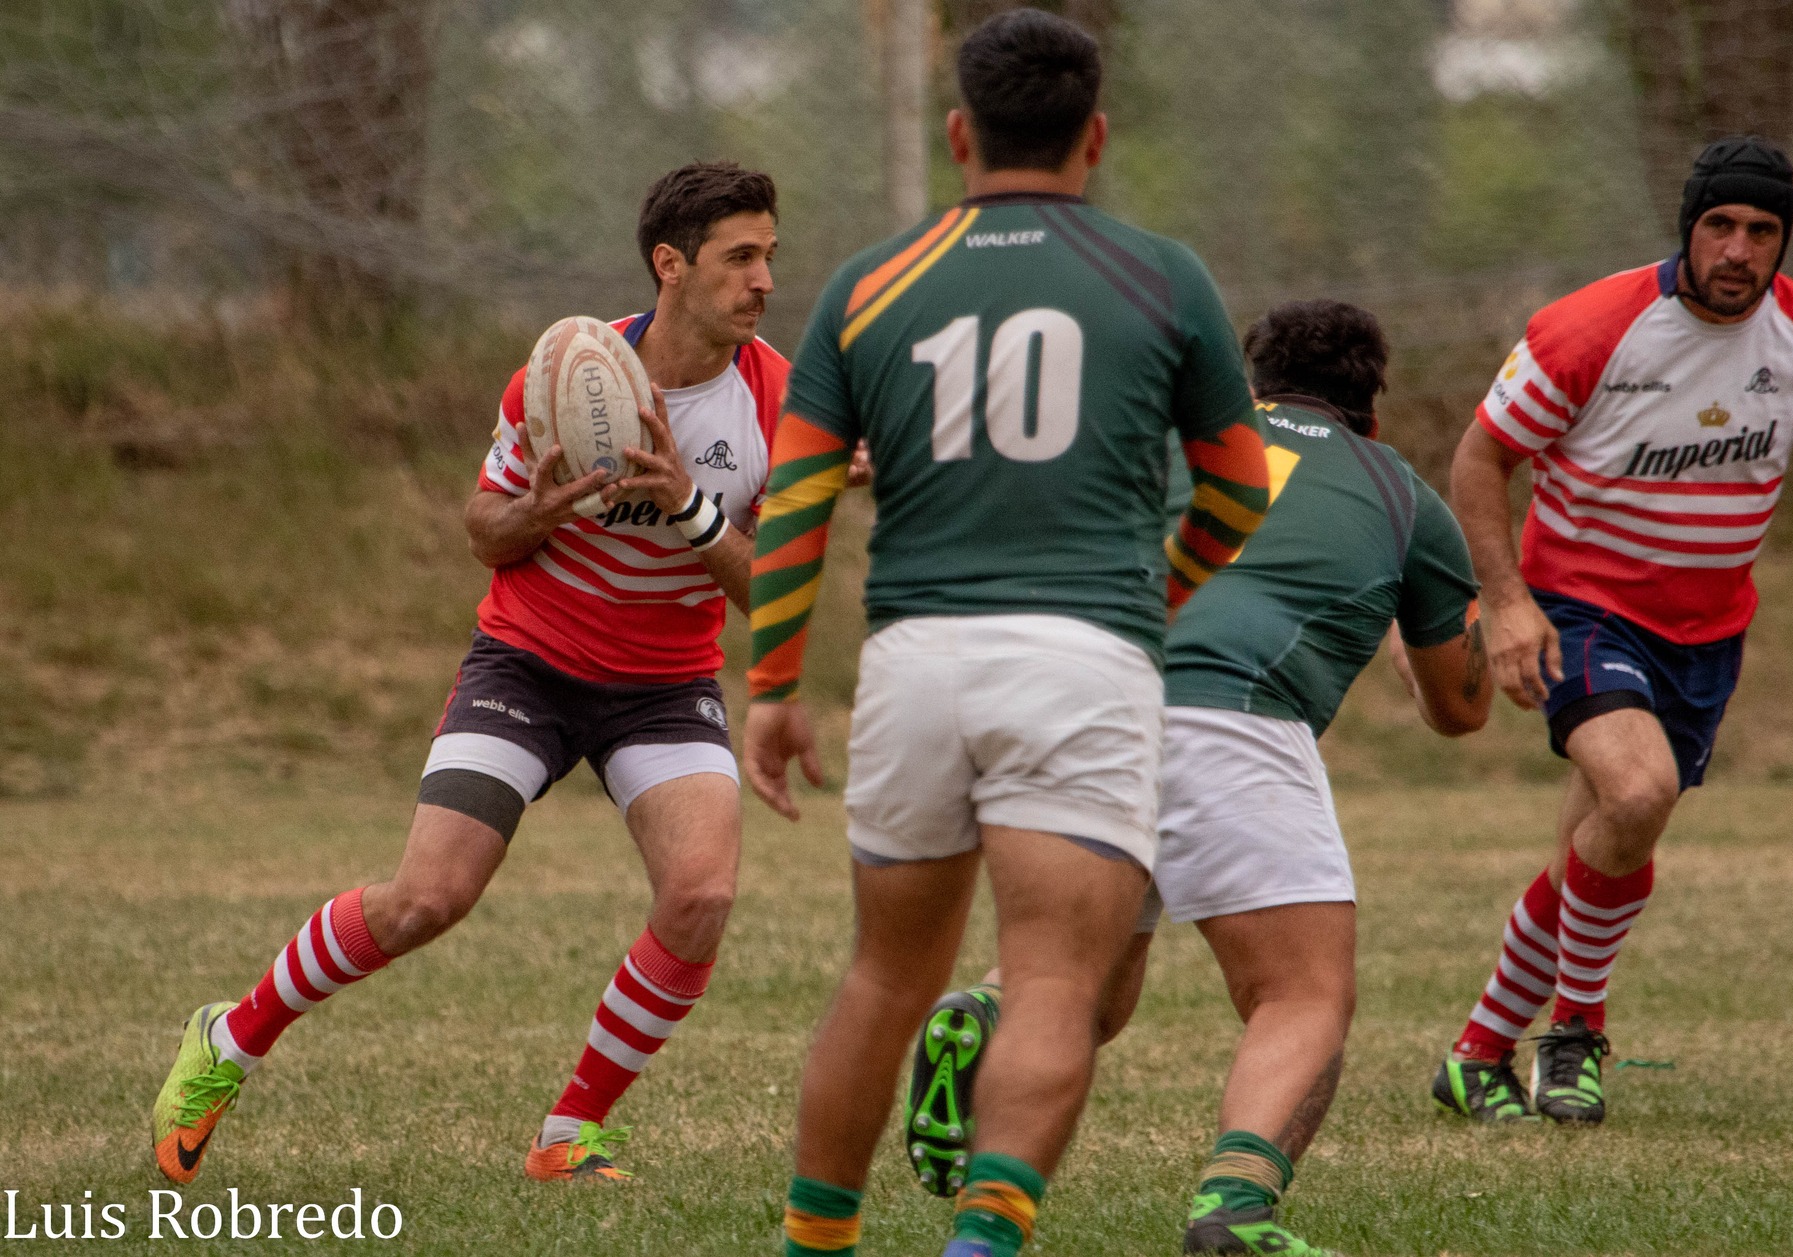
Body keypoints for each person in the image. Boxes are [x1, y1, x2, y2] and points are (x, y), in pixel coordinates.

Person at [742, 12, 1271, 1257]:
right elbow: (1239, 488)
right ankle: (984, 1237)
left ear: (956, 133)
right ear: (1095, 135)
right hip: (1082, 661)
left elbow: (799, 497)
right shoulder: (1162, 275)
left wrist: (770, 683)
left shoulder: (869, 282)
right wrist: (1161, 593)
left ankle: (813, 1243)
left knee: (885, 976)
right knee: (1049, 980)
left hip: (917, 662)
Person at [151, 162, 790, 1184]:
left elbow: (774, 592)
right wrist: (539, 510)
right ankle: (226, 1041)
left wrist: (688, 507)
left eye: (768, 256)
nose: (763, 281)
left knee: (701, 894)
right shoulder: (565, 372)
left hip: (665, 683)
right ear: (670, 264)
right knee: (427, 898)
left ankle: (566, 1134)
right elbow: (484, 533)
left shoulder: (775, 398)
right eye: (740, 257)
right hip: (528, 665)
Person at [906, 300, 1495, 1257]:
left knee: (1089, 986)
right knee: (1303, 992)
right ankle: (1236, 1209)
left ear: (1251, 384)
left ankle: (989, 1011)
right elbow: (1462, 707)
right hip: (1232, 714)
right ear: (1372, 412)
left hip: (1082, 702)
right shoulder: (1399, 494)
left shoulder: (1176, 438)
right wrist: (1407, 638)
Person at [1432, 135, 1793, 1125]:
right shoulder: (1592, 329)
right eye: (1719, 225)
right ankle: (1575, 1034)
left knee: (1601, 843)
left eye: (1761, 231)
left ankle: (1475, 1051)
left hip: (1703, 634)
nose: (1737, 249)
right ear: (1686, 227)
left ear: (1783, 240)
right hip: (1576, 607)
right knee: (1638, 791)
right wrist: (1504, 602)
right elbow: (1476, 461)